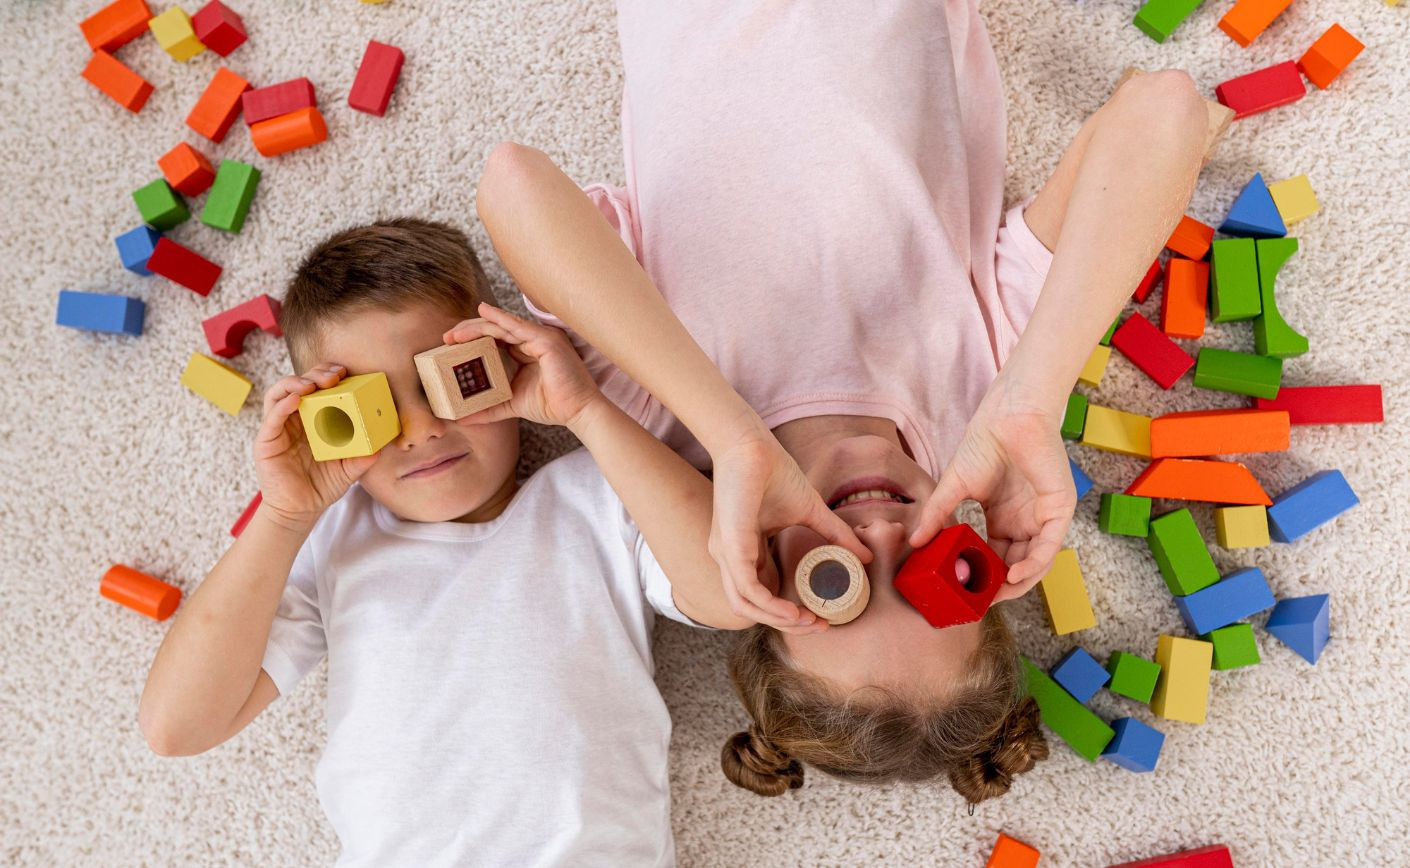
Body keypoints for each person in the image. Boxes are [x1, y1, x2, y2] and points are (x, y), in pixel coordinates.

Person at [472, 0, 1210, 805]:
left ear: (760, 581)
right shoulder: (985, 392)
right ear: (978, 561)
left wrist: (733, 436)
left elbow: (512, 183)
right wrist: (1032, 401)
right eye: (933, 575)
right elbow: (1166, 109)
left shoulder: (663, 402)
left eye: (839, 583)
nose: (884, 533)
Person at [138, 218, 748, 865]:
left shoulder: (597, 494)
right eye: (370, 408)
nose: (421, 429)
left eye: (448, 381)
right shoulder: (337, 541)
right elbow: (177, 727)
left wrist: (586, 411)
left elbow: (732, 594)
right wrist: (284, 517)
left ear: (505, 360)